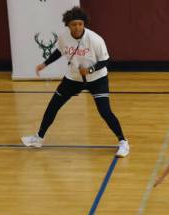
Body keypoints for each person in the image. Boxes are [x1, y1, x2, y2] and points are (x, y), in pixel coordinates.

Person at [21, 5, 128, 157]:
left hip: (97, 78)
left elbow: (106, 60)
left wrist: (90, 70)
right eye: (73, 24)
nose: (77, 27)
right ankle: (38, 138)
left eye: (80, 24)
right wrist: (44, 64)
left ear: (84, 24)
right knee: (53, 106)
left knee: (105, 112)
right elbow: (59, 51)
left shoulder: (95, 40)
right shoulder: (64, 37)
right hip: (74, 78)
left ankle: (123, 142)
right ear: (68, 25)